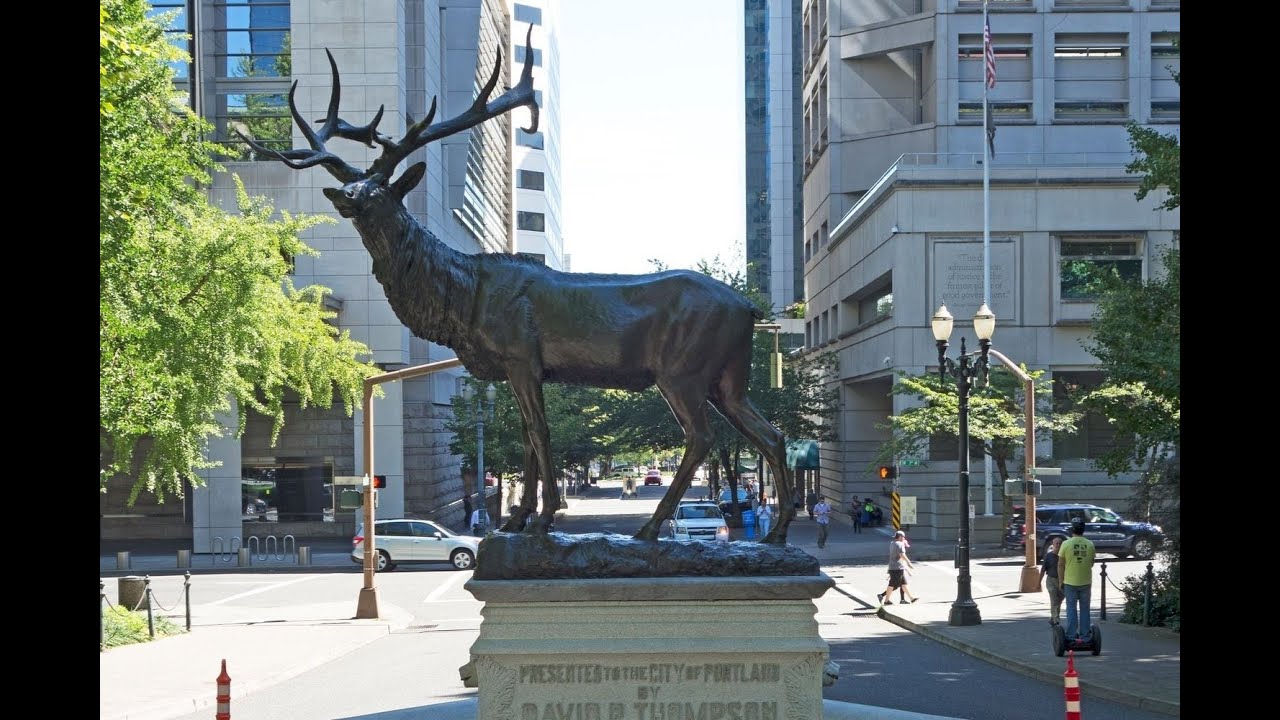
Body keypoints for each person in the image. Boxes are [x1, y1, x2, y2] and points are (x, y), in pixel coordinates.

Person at [1058, 517, 1097, 642]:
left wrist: (1061, 581)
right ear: (1083, 530)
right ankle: (1085, 636)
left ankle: (1071, 635)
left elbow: (1060, 565)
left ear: (1072, 529)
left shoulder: (1066, 544)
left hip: (1070, 582)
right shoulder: (1090, 544)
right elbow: (1091, 563)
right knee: (1085, 609)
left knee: (1071, 609)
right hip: (1085, 581)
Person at [877, 530, 918, 605]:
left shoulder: (892, 543)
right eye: (903, 537)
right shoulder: (900, 544)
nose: (904, 538)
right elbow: (902, 554)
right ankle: (885, 600)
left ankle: (911, 598)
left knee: (903, 584)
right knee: (893, 585)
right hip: (897, 567)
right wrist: (909, 562)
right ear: (900, 537)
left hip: (894, 567)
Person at [1041, 536, 1065, 626]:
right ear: (1053, 545)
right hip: (1051, 580)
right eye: (1056, 543)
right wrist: (1038, 582)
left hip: (1063, 581)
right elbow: (1043, 569)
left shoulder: (1065, 555)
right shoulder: (1049, 556)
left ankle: (1052, 617)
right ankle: (1056, 620)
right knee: (1054, 600)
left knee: (1059, 600)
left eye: (1060, 543)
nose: (1058, 545)